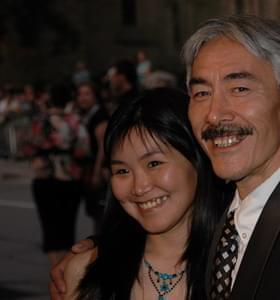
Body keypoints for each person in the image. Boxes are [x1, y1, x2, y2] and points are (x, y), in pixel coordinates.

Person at [51, 15, 280, 299]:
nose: (215, 113)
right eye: (202, 92)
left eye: (239, 88)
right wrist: (101, 255)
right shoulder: (228, 220)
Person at [61, 88, 229, 299]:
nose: (139, 187)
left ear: (197, 160)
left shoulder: (238, 264)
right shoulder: (85, 271)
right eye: (122, 171)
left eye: (154, 163)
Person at [28, 83, 90, 266]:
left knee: (49, 229)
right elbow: (83, 149)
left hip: (45, 178)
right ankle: (67, 270)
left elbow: (28, 145)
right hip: (70, 179)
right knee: (67, 228)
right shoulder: (75, 121)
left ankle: (57, 270)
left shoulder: (40, 121)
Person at [76, 82, 109, 231]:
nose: (82, 98)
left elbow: (103, 146)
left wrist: (96, 173)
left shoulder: (99, 115)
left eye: (87, 94)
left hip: (99, 171)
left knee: (101, 215)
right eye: (80, 94)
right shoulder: (86, 114)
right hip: (89, 169)